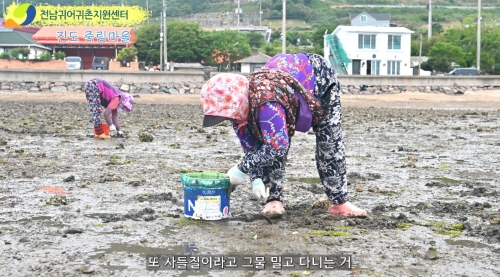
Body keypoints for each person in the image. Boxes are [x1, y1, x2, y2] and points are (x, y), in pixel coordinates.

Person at [200, 53, 367, 218]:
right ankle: (273, 200)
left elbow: (277, 146)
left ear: (237, 102)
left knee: (328, 140)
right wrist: (256, 178)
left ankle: (340, 203)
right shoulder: (236, 108)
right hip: (282, 75)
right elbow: (252, 148)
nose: (227, 119)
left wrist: (240, 169)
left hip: (317, 78)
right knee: (267, 143)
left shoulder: (267, 103)